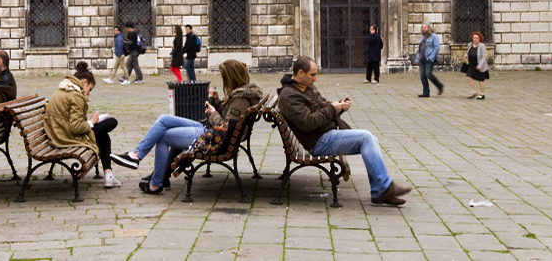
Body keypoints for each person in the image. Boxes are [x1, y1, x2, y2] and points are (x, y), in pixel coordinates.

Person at [110, 59, 263, 194]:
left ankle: (155, 183)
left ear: (231, 79)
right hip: (208, 131)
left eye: (224, 78)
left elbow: (226, 127)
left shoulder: (240, 99)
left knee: (163, 136)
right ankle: (136, 155)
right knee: (164, 120)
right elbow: (229, 120)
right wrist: (216, 102)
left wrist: (213, 112)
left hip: (210, 138)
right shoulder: (240, 95)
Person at [278, 56, 412, 206]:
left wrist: (339, 107)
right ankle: (386, 187)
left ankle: (378, 192)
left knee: (371, 139)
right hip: (318, 141)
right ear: (301, 73)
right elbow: (309, 123)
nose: (315, 79)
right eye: (313, 75)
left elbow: (323, 107)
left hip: (325, 134)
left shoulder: (305, 87)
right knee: (366, 138)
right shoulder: (289, 95)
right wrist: (332, 109)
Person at [44, 61, 122, 189]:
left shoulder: (65, 89)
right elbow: (75, 127)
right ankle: (108, 175)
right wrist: (91, 122)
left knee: (103, 136)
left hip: (58, 132)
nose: (89, 93)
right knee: (112, 122)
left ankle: (109, 175)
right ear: (84, 82)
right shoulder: (75, 96)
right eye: (90, 89)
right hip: (65, 137)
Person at [416, 23, 443, 97]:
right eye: (422, 27)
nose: (423, 29)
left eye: (425, 27)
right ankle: (426, 92)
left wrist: (431, 57)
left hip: (429, 58)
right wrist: (417, 58)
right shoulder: (423, 37)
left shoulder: (434, 36)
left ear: (429, 28)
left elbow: (436, 47)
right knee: (422, 76)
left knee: (428, 74)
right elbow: (420, 48)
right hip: (422, 58)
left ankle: (439, 86)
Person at [465, 32, 489, 100]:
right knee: (468, 77)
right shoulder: (470, 45)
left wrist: (480, 65)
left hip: (479, 65)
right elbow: (468, 52)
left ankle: (482, 94)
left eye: (476, 38)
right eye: (474, 38)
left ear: (479, 39)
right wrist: (466, 57)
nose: (475, 39)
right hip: (471, 65)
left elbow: (484, 57)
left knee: (480, 80)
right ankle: (473, 91)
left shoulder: (482, 46)